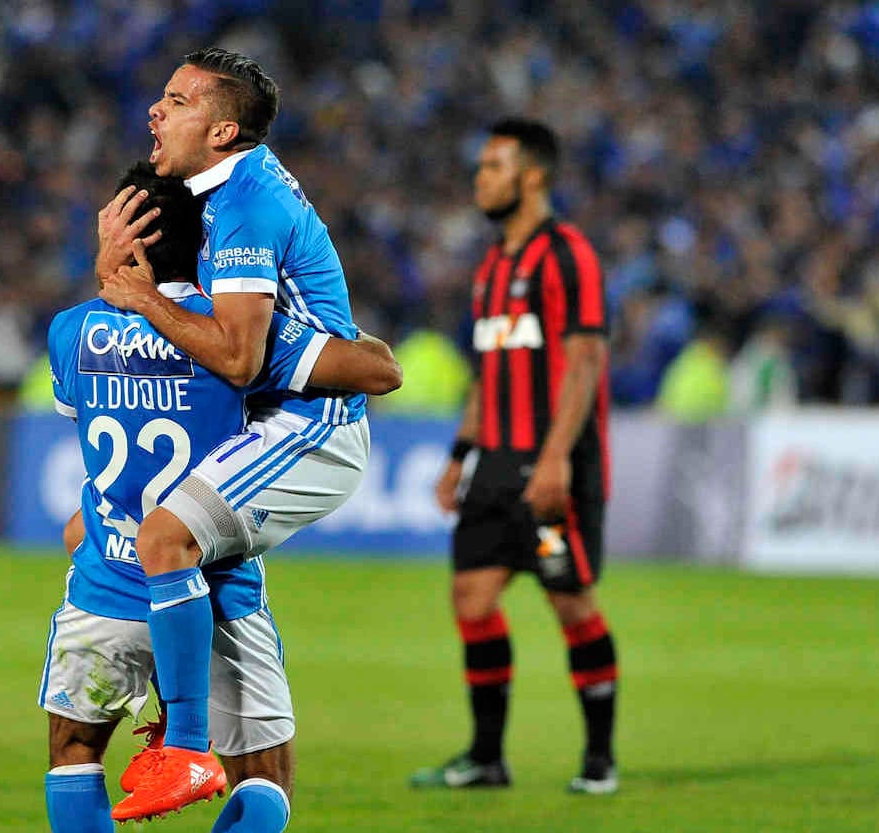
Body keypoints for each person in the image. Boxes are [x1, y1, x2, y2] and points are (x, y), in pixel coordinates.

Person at [41, 161, 400, 833]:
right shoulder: (228, 333)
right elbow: (378, 370)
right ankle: (187, 739)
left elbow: (89, 414)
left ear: (126, 242)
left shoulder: (68, 332)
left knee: (74, 750)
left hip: (107, 581)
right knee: (263, 774)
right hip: (213, 591)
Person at [95, 47, 375, 821]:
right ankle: (211, 745)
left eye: (177, 101)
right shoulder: (229, 193)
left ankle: (183, 748)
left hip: (309, 424)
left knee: (162, 540)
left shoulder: (246, 204)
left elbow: (240, 356)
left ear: (222, 130)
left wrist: (143, 299)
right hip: (281, 417)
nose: (156, 110)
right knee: (194, 576)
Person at [411, 119, 619, 794]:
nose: (481, 178)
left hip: (553, 462)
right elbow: (489, 373)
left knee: (572, 604)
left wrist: (557, 456)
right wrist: (457, 456)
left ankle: (599, 759)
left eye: (494, 166)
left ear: (533, 175)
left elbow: (585, 360)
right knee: (470, 599)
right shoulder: (492, 266)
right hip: (494, 465)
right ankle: (486, 757)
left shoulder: (568, 255)